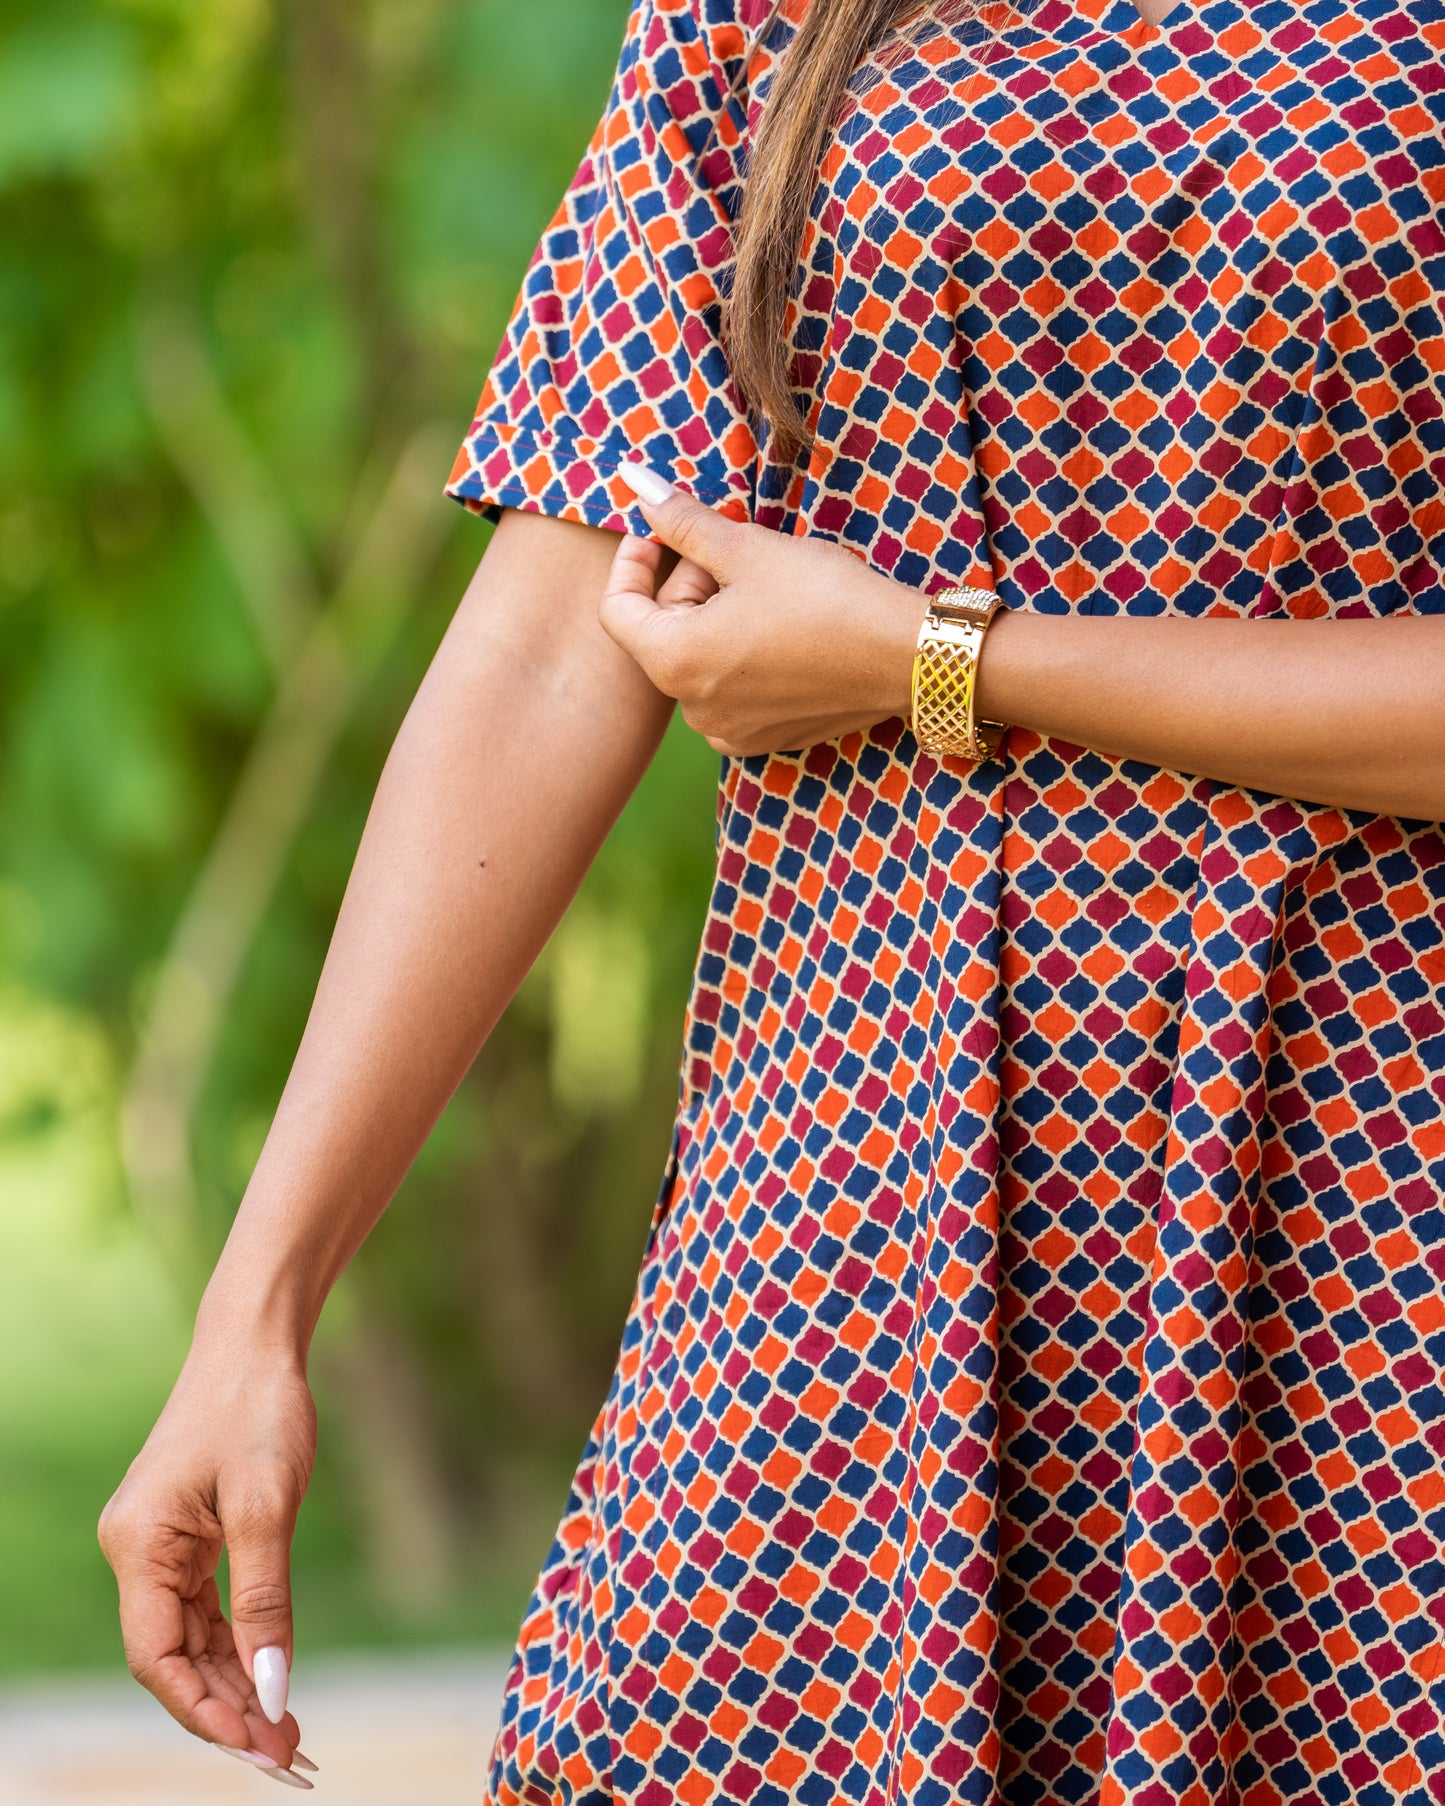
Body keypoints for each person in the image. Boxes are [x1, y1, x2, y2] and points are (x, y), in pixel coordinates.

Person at [99, 0, 1445, 1799]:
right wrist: (254, 1308)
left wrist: (936, 659)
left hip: (1363, 1212)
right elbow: (549, 640)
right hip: (850, 1219)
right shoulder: (750, 18)